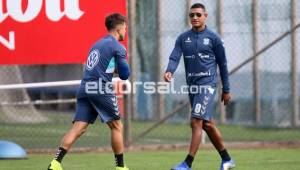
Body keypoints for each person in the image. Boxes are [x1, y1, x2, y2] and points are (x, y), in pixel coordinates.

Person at [47, 13, 130, 170]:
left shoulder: (97, 44)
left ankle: (55, 163)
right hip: (100, 88)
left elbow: (100, 67)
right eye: (125, 28)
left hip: (85, 87)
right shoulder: (118, 47)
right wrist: (123, 60)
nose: (126, 31)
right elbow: (125, 75)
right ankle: (120, 167)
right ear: (119, 28)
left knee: (79, 127)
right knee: (117, 126)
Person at [164, 3, 235, 170]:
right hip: (192, 86)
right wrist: (169, 71)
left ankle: (187, 164)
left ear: (205, 16)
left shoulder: (214, 38)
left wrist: (226, 89)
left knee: (196, 121)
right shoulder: (183, 38)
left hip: (207, 85)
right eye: (191, 15)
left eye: (198, 14)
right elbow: (174, 57)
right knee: (207, 124)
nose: (194, 17)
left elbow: (223, 65)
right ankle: (227, 159)